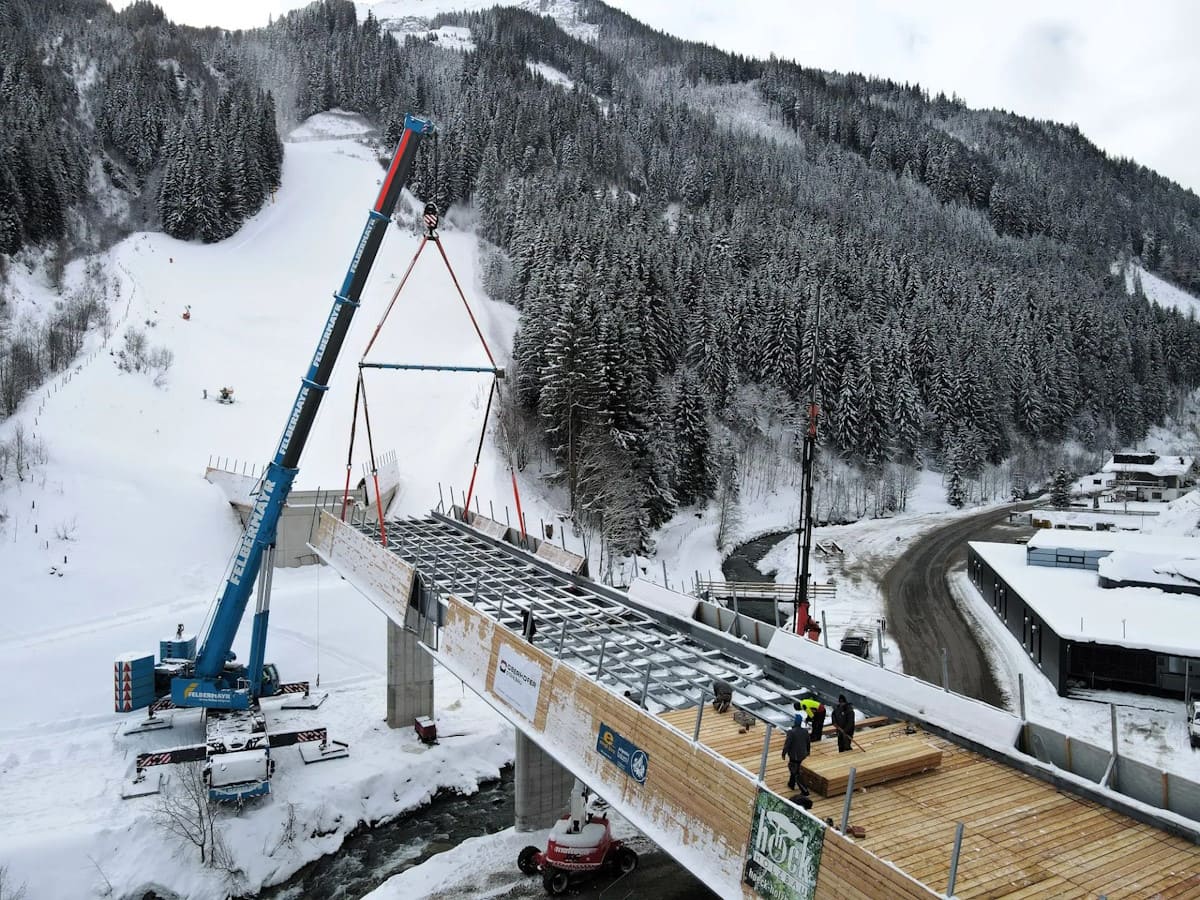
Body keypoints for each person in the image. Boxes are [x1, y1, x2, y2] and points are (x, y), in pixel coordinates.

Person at [781, 714, 811, 792]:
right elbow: (808, 742)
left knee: (795, 770)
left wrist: (784, 753)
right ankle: (791, 783)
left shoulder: (791, 732)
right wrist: (808, 751)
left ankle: (802, 789)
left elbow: (787, 744)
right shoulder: (805, 731)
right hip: (802, 754)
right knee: (796, 769)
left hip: (794, 755)